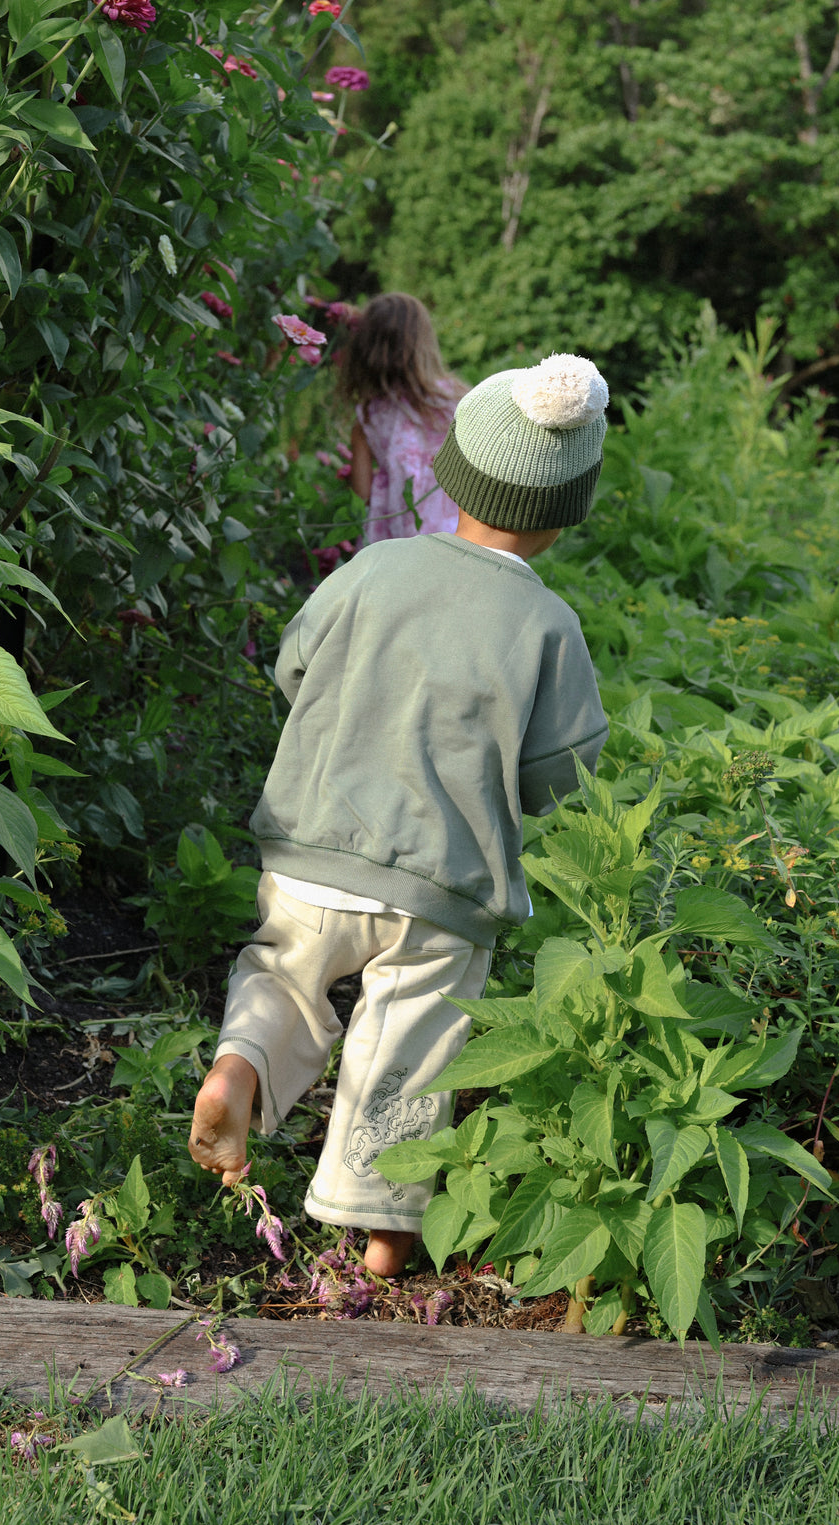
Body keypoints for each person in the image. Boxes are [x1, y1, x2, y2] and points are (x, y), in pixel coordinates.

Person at [188, 354, 611, 1277]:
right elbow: (561, 777)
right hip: (439, 889)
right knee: (411, 1040)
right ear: (569, 510)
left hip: (307, 853)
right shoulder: (548, 629)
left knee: (283, 970)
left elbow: (294, 666)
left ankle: (242, 1066)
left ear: (451, 466)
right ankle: (381, 1236)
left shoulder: (375, 567)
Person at [343, 292, 466, 544]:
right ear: (424, 343)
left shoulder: (368, 416)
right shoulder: (453, 401)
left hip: (393, 538)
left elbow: (361, 495)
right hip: (453, 531)